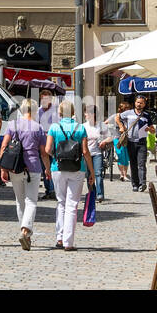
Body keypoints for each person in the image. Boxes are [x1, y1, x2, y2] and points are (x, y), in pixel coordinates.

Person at [44, 101, 95, 250]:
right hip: (77, 168)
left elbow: (47, 149)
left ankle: (59, 238)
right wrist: (91, 172)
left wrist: (58, 156)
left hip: (57, 167)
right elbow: (85, 152)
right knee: (72, 205)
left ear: (59, 113)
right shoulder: (80, 128)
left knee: (61, 202)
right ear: (73, 112)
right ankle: (68, 242)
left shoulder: (54, 127)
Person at [0, 98, 48, 251]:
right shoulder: (38, 127)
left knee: (20, 201)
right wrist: (48, 168)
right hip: (33, 166)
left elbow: (4, 146)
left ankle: (23, 231)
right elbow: (43, 152)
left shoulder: (13, 125)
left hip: (15, 166)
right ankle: (25, 230)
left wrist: (3, 168)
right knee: (31, 201)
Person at [117, 95, 155, 191]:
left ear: (144, 104)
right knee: (133, 164)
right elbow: (117, 117)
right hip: (131, 142)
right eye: (138, 102)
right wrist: (121, 126)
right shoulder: (128, 113)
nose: (139, 104)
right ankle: (135, 184)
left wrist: (149, 129)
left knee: (141, 164)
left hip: (142, 142)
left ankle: (142, 183)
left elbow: (153, 130)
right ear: (135, 103)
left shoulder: (146, 115)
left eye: (141, 103)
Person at [82, 105, 110, 201]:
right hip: (86, 154)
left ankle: (100, 194)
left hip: (97, 153)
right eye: (85, 112)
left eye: (87, 112)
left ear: (93, 114)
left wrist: (104, 141)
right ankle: (92, 193)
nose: (85, 114)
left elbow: (110, 136)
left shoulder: (101, 125)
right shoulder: (83, 126)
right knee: (88, 174)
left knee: (98, 173)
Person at [37, 90, 58, 199]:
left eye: (46, 99)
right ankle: (48, 190)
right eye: (42, 99)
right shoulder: (38, 111)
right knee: (44, 167)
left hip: (53, 142)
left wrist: (49, 134)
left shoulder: (55, 111)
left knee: (53, 165)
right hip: (41, 143)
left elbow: (57, 127)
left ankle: (54, 189)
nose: (43, 102)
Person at [112, 102, 131, 182]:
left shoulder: (129, 117)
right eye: (126, 109)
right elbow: (106, 122)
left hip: (127, 139)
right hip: (118, 139)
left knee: (126, 158)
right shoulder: (116, 116)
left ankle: (125, 174)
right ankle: (122, 174)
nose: (128, 111)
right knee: (121, 156)